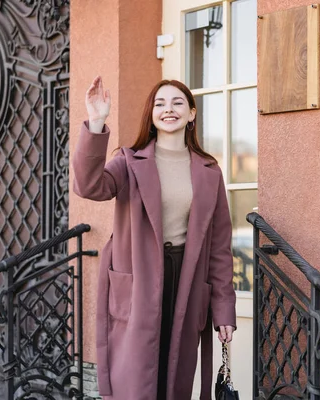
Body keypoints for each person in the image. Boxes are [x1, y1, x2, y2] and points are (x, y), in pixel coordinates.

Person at [72, 76, 236, 400]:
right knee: (135, 379)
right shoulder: (129, 161)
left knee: (174, 377)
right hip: (139, 277)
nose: (168, 110)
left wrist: (224, 310)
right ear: (152, 114)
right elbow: (88, 186)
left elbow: (219, 247)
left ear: (191, 114)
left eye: (177, 103)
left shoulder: (209, 171)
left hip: (185, 278)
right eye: (160, 104)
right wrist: (96, 122)